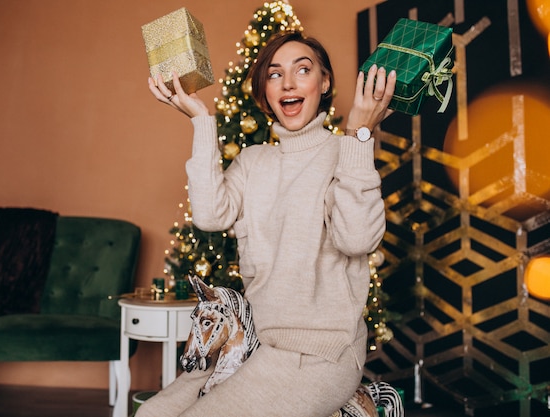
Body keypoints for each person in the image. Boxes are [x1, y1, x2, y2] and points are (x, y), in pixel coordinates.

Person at [142, 31, 396, 417]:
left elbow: (357, 238)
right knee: (150, 415)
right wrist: (201, 121)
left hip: (320, 357)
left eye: (303, 70)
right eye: (275, 74)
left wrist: (360, 135)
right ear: (264, 90)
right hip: (258, 346)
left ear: (324, 82)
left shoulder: (342, 151)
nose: (289, 83)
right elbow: (211, 216)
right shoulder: (253, 161)